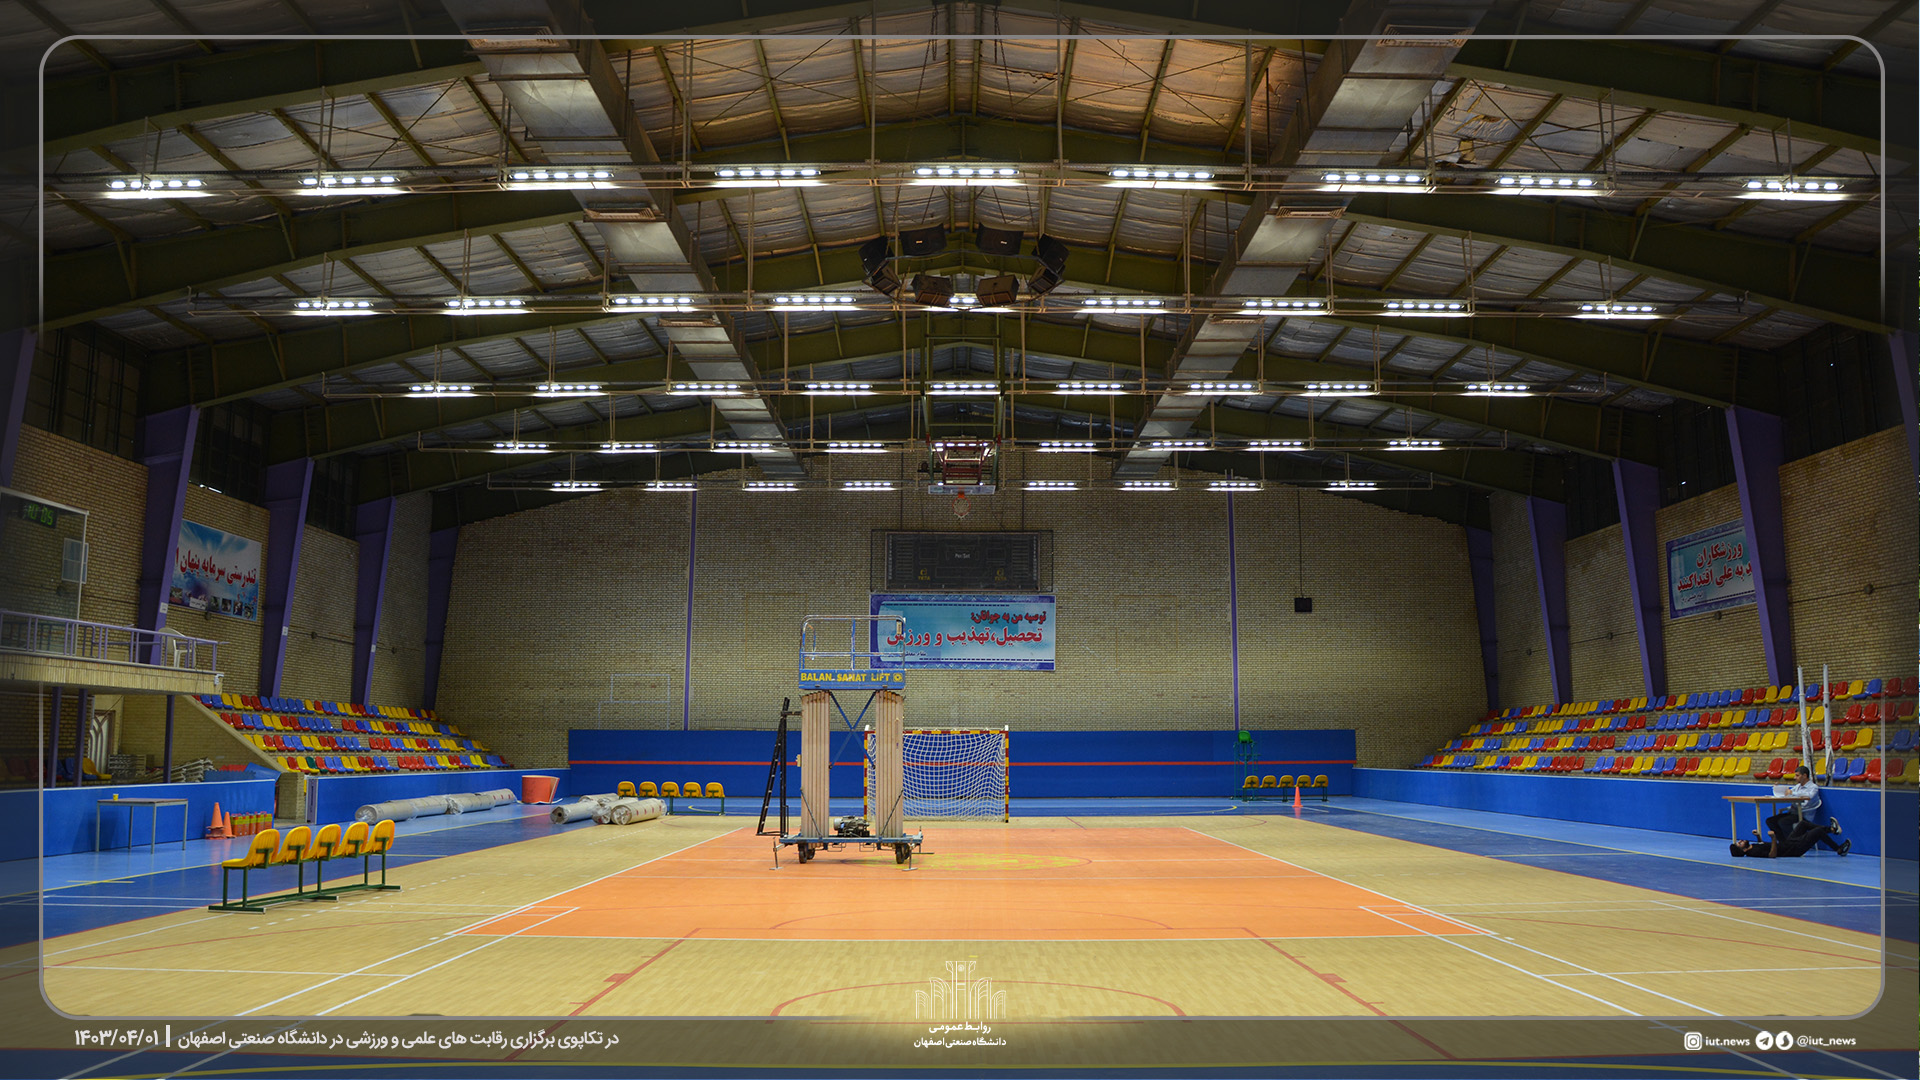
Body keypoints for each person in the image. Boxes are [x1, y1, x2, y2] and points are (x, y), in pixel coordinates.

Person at [1764, 765, 1847, 853]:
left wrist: (1793, 793)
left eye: (1797, 775)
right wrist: (1778, 789)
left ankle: (1789, 844)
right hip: (1794, 812)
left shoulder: (1813, 787)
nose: (1795, 778)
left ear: (1804, 775)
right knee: (1770, 821)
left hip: (1803, 813)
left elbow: (1808, 796)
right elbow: (1788, 793)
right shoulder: (1797, 786)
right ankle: (1783, 843)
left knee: (1783, 822)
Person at [1731, 817, 1848, 858]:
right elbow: (1772, 855)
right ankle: (1838, 849)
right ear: (1744, 850)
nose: (1741, 841)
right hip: (1794, 850)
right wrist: (1773, 838)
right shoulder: (1753, 853)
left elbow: (1762, 845)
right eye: (1739, 844)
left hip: (1788, 843)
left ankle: (1832, 830)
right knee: (1817, 832)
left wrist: (1758, 837)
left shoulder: (1752, 847)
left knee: (1803, 824)